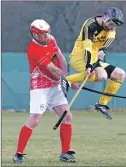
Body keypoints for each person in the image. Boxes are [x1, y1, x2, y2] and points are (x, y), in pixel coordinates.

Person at [12, 19, 79, 164]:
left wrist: (68, 77)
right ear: (35, 35)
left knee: (67, 117)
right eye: (43, 34)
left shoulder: (51, 39)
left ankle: (65, 153)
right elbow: (52, 70)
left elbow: (60, 58)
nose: (47, 36)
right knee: (35, 120)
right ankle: (18, 154)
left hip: (55, 85)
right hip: (40, 87)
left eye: (48, 33)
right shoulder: (33, 50)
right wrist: (67, 80)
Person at [64, 7, 126, 120]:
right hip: (79, 56)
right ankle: (66, 80)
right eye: (111, 24)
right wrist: (89, 65)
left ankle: (102, 104)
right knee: (101, 75)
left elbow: (104, 46)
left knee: (120, 74)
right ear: (106, 17)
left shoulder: (111, 31)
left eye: (114, 26)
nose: (112, 27)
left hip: (93, 58)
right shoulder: (90, 25)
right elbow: (87, 47)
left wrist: (102, 51)